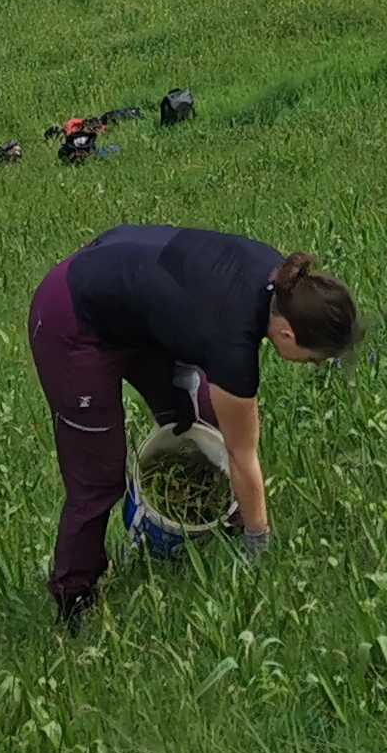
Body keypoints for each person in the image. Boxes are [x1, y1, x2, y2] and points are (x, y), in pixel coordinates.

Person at [28, 225, 359, 630]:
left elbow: (189, 291)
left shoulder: (280, 279)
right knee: (98, 476)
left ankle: (218, 527)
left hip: (126, 293)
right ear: (287, 333)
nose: (314, 365)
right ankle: (73, 596)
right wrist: (260, 540)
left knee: (201, 418)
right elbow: (242, 454)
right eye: (312, 359)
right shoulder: (232, 343)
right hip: (71, 317)